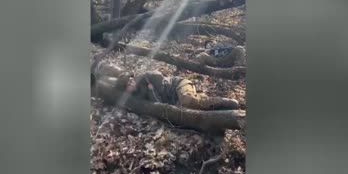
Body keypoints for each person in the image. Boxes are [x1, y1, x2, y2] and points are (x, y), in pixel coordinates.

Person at [93, 62, 240, 110]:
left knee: (188, 101)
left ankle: (225, 103)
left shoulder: (144, 78)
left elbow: (159, 77)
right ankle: (213, 104)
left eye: (131, 81)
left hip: (178, 85)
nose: (131, 84)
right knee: (190, 106)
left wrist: (147, 81)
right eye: (128, 86)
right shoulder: (139, 94)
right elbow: (157, 102)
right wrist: (151, 92)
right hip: (173, 100)